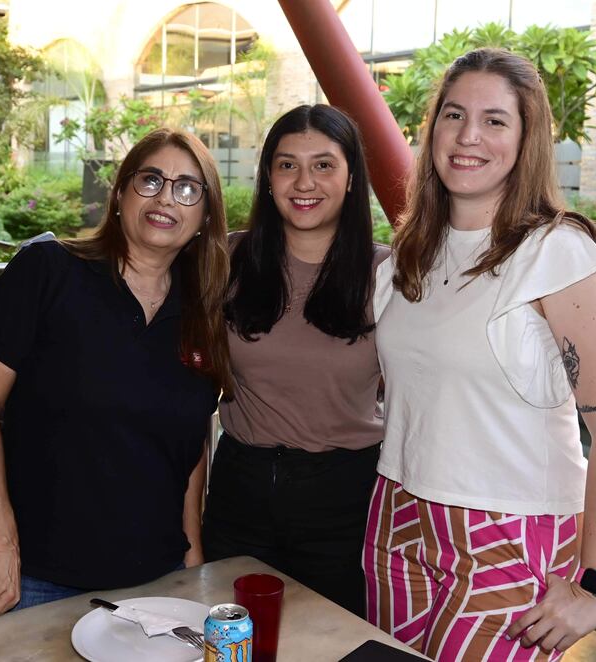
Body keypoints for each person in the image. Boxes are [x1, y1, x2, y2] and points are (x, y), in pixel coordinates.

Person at [364, 49, 596, 660]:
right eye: (454, 115)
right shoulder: (409, 255)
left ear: (526, 138)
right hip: (397, 514)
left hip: (509, 528)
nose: (468, 136)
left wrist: (595, 585)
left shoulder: (559, 254)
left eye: (494, 120)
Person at [0, 128, 232, 621]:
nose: (166, 197)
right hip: (34, 578)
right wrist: (3, 547)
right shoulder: (48, 271)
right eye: (151, 179)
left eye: (188, 188)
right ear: (121, 193)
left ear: (205, 216)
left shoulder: (203, 313)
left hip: (158, 578)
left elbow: (189, 450)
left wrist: (192, 557)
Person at [201, 104, 389, 617]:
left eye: (324, 165)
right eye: (287, 165)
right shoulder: (228, 260)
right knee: (231, 639)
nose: (304, 182)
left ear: (352, 178)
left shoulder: (387, 274)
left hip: (345, 494)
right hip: (240, 485)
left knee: (332, 642)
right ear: (268, 178)